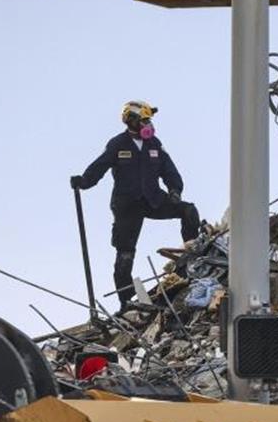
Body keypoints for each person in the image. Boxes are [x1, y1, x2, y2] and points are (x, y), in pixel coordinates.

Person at [71, 100, 201, 313]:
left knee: (188, 210)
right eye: (144, 120)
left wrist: (175, 190)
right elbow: (100, 166)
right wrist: (84, 181)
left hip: (153, 199)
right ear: (131, 121)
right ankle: (127, 301)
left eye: (149, 120)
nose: (148, 124)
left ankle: (192, 257)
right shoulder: (118, 144)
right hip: (127, 205)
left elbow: (169, 170)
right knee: (125, 254)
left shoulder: (154, 145)